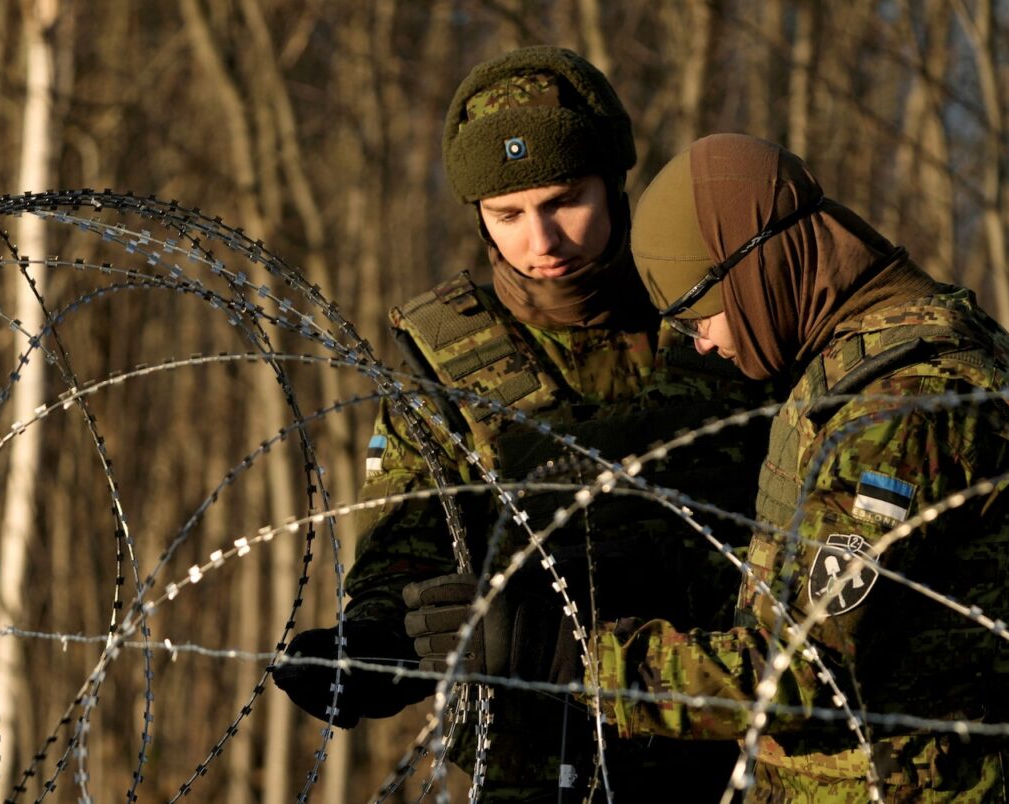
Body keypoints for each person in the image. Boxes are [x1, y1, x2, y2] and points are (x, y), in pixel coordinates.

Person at [270, 50, 771, 801]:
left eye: (565, 200)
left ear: (613, 183)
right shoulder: (446, 361)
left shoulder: (723, 315)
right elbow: (411, 529)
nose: (542, 242)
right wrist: (377, 636)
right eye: (508, 215)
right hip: (532, 755)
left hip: (724, 740)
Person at [533, 133, 1009, 800]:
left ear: (755, 263)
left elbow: (800, 668)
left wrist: (579, 662)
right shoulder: (881, 355)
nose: (702, 342)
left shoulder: (901, 406)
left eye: (700, 313)